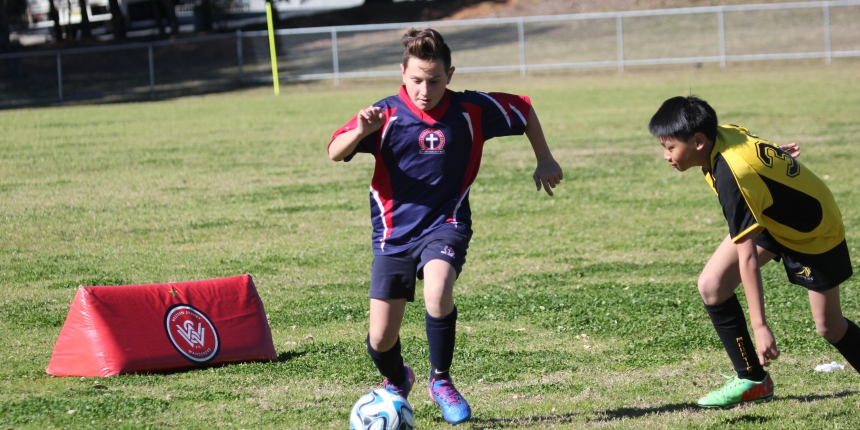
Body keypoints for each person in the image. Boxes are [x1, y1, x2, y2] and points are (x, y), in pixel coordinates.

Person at [327, 28, 563, 424]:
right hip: (393, 235)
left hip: (447, 222)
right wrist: (360, 131)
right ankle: (398, 379)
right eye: (417, 79)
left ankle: (441, 380)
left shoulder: (471, 109)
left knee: (438, 290)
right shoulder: (383, 113)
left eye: (435, 80)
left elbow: (523, 109)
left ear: (450, 75)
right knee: (380, 339)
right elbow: (335, 151)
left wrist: (545, 158)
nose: (425, 89)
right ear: (402, 73)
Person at [648, 95, 859, 408]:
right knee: (712, 285)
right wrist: (774, 161)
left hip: (812, 230)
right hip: (770, 215)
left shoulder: (732, 177)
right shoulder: (721, 134)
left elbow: (747, 257)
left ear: (699, 141)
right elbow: (751, 146)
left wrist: (760, 326)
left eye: (670, 147)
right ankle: (752, 379)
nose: (666, 155)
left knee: (829, 326)